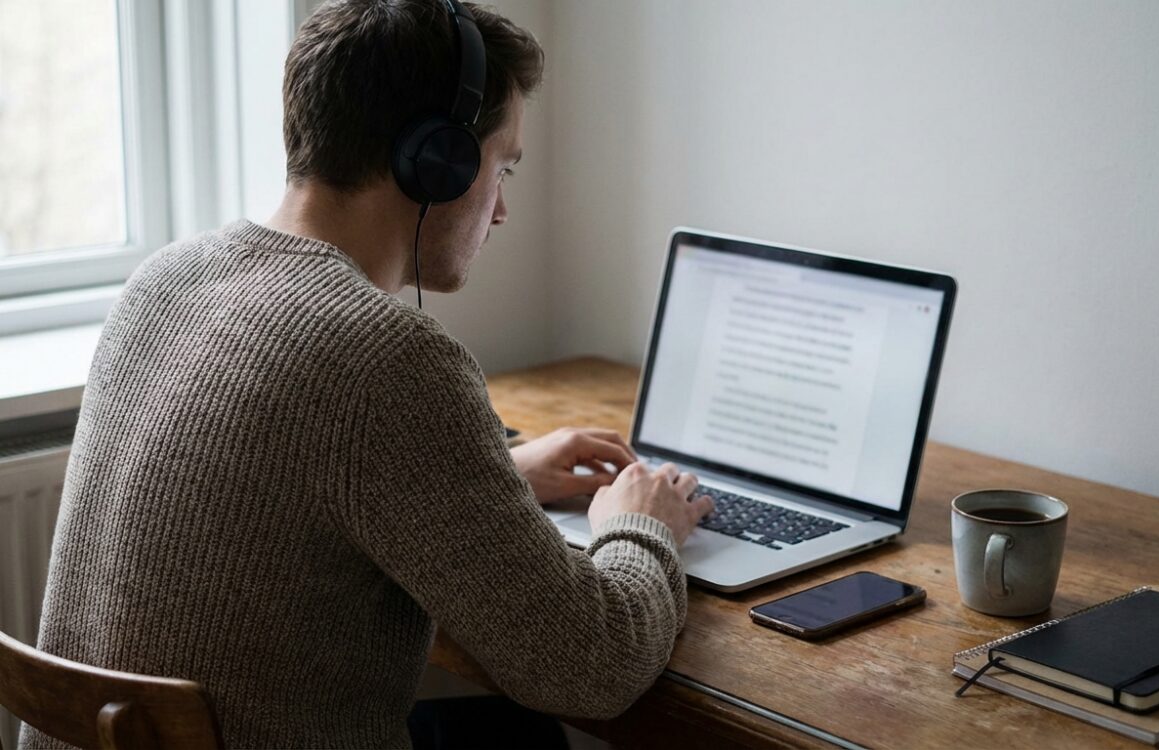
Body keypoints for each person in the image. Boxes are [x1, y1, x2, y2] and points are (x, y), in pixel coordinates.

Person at [24, 1, 714, 748]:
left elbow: (267, 488)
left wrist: (500, 475)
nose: (504, 208)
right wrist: (642, 524)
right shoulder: (385, 360)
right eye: (501, 166)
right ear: (437, 160)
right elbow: (591, 669)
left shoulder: (165, 278)